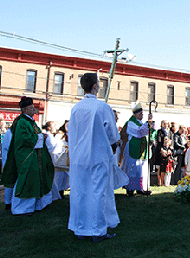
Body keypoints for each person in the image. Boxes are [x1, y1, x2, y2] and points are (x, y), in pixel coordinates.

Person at [67, 73, 121, 242]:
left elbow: (72, 133)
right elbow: (113, 134)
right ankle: (98, 231)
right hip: (98, 156)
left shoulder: (75, 108)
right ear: (95, 86)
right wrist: (114, 141)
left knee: (80, 192)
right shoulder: (102, 107)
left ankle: (80, 228)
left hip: (79, 157)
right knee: (98, 193)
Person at [0, 96, 54, 216]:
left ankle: (35, 206)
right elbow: (23, 140)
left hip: (35, 159)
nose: (34, 110)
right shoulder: (22, 122)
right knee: (27, 183)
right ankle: (21, 209)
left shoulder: (30, 122)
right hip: (27, 159)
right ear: (24, 109)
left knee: (36, 182)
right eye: (31, 108)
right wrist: (40, 137)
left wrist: (42, 137)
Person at [120, 101, 153, 197]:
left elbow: (147, 131)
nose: (142, 114)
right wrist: (148, 123)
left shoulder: (140, 122)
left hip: (141, 149)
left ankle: (141, 188)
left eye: (142, 113)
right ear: (135, 114)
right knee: (132, 169)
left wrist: (150, 125)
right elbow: (139, 132)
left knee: (141, 169)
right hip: (133, 149)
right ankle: (130, 189)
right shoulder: (131, 123)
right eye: (140, 113)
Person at [52, 121, 70, 199]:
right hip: (60, 157)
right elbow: (56, 145)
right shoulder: (59, 135)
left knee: (66, 178)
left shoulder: (73, 134)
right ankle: (57, 193)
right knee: (58, 177)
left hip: (68, 158)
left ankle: (62, 190)